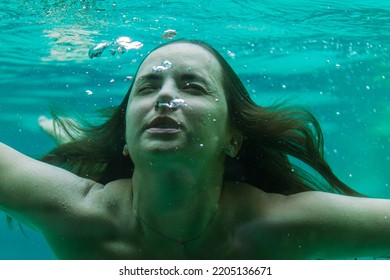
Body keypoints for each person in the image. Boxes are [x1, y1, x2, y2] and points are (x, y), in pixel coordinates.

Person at [1, 39, 390, 259]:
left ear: (233, 138)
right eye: (148, 87)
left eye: (193, 86)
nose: (165, 98)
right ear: (126, 137)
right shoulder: (78, 213)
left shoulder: (282, 226)